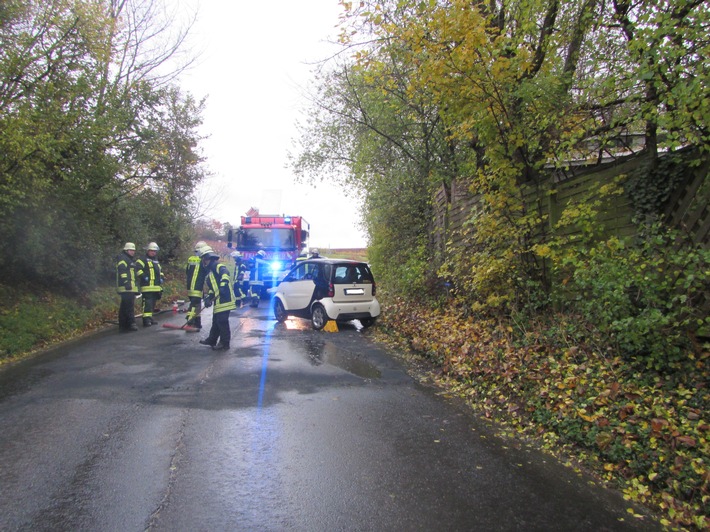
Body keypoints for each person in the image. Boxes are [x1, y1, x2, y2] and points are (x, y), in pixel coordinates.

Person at [199, 249, 237, 350]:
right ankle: (212, 339)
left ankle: (225, 343)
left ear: (207, 259)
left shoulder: (217, 265)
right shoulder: (210, 272)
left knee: (222, 321)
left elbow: (225, 273)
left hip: (225, 299)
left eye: (204, 259)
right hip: (218, 299)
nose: (204, 262)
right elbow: (213, 289)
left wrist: (223, 285)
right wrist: (208, 298)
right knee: (216, 321)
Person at [135, 242, 164, 327]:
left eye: (155, 251)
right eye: (151, 251)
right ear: (148, 251)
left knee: (152, 304)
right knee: (147, 304)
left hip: (156, 287)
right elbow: (137, 269)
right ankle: (146, 320)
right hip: (147, 286)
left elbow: (160, 271)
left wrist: (162, 278)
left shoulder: (156, 260)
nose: (153, 253)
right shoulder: (142, 259)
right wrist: (144, 277)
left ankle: (150, 318)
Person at [116, 242, 139, 332]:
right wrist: (126, 282)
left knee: (124, 307)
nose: (133, 252)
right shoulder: (123, 259)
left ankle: (123, 325)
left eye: (134, 250)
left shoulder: (129, 260)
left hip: (129, 288)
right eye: (131, 250)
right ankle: (131, 324)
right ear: (126, 250)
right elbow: (122, 271)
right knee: (129, 306)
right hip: (126, 287)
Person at [186, 241, 208, 328]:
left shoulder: (190, 259)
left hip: (190, 285)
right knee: (195, 304)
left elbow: (187, 271)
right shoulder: (203, 261)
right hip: (197, 286)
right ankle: (190, 320)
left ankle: (197, 322)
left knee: (197, 303)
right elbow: (206, 273)